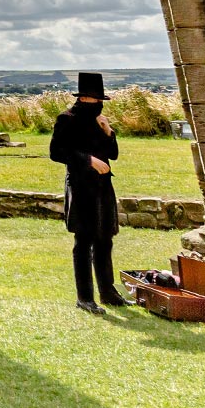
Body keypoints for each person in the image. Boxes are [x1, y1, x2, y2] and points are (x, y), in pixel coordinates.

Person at [50, 71, 126, 313]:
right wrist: (88, 160)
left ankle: (108, 292)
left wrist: (108, 132)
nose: (98, 104)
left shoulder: (98, 120)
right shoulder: (67, 119)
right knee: (84, 241)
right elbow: (56, 152)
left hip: (103, 186)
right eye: (95, 100)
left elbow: (112, 154)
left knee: (105, 239)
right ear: (84, 99)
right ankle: (85, 297)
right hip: (81, 186)